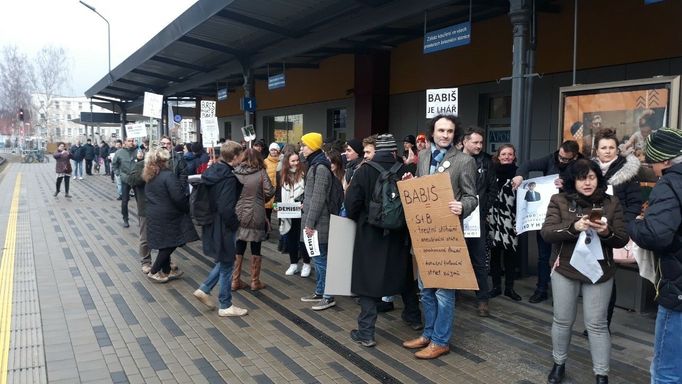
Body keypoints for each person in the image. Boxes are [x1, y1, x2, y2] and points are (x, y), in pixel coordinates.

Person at [541, 158, 628, 384]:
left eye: (591, 177)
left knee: (597, 324)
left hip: (600, 272)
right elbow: (547, 233)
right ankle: (558, 363)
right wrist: (573, 227)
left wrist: (607, 231)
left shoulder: (611, 202)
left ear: (598, 178)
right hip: (566, 269)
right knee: (562, 320)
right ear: (573, 181)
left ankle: (602, 374)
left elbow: (622, 239)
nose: (587, 183)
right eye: (581, 178)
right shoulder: (559, 200)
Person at [402, 114, 478, 360]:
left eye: (449, 131)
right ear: (432, 132)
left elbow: (471, 197)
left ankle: (441, 341)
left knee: (444, 293)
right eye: (441, 130)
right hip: (424, 235)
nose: (445, 134)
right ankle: (428, 334)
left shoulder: (464, 161)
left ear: (455, 134)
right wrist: (411, 183)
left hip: (448, 236)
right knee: (425, 290)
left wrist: (462, 206)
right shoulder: (423, 156)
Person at [344, 134, 413, 347]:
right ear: (394, 151)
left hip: (369, 234)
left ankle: (366, 332)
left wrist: (360, 220)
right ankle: (414, 317)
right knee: (404, 276)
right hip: (398, 234)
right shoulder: (405, 171)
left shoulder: (364, 170)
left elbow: (350, 204)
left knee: (367, 281)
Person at [628, 127, 682, 384]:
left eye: (652, 163)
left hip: (679, 293)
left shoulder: (671, 183)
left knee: (666, 373)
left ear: (666, 161)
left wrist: (635, 223)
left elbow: (656, 235)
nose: (654, 170)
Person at [511, 140, 582, 303]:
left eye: (566, 159)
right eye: (560, 156)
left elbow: (587, 188)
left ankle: (565, 293)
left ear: (575, 157)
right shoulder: (552, 158)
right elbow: (528, 164)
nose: (561, 160)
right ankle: (541, 289)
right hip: (547, 215)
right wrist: (520, 175)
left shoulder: (582, 165)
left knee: (565, 254)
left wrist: (567, 185)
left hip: (569, 217)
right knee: (543, 255)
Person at [591, 128, 642, 334]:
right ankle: (594, 323)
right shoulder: (589, 170)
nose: (608, 151)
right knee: (592, 278)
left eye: (611, 147)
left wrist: (623, 226)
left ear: (617, 149)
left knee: (607, 279)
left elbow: (635, 203)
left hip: (613, 233)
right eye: (603, 147)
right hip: (591, 231)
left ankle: (603, 325)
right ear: (596, 150)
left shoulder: (627, 172)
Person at [192, 141, 249, 317]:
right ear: (235, 157)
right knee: (227, 263)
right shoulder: (228, 178)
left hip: (211, 222)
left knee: (225, 260)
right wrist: (235, 223)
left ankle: (205, 288)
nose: (242, 158)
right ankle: (225, 304)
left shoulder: (213, 170)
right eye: (241, 155)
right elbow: (226, 207)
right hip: (223, 225)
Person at [143, 148, 199, 283]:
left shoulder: (150, 175)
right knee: (172, 242)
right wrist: (186, 208)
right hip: (169, 215)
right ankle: (154, 271)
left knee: (165, 243)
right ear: (163, 161)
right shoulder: (168, 175)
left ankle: (166, 271)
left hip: (154, 213)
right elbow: (178, 197)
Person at [461, 126, 497, 317]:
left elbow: (493, 189)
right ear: (464, 142)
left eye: (481, 142)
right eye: (475, 142)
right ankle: (453, 291)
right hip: (457, 216)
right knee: (456, 256)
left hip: (477, 218)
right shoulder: (454, 160)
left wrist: (482, 210)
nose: (479, 145)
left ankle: (482, 299)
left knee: (479, 260)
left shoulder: (486, 161)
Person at [298, 132, 336, 311]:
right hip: (315, 221)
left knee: (321, 259)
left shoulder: (320, 167)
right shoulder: (315, 165)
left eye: (304, 145)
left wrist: (310, 223)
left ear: (313, 146)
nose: (302, 148)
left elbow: (318, 199)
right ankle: (320, 291)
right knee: (318, 258)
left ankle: (328, 296)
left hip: (319, 223)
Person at [231, 148, 275, 291]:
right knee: (256, 245)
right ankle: (255, 282)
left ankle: (235, 280)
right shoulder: (261, 172)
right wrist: (261, 199)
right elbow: (269, 191)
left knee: (240, 243)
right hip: (256, 214)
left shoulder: (235, 172)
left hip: (238, 213)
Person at [488, 144, 521, 301]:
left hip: (511, 219)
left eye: (510, 154)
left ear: (514, 156)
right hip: (493, 219)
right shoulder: (491, 172)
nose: (507, 156)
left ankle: (509, 288)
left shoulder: (519, 174)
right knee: (494, 254)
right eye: (504, 154)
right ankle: (495, 287)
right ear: (498, 156)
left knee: (510, 256)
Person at [277, 151, 311, 277]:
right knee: (291, 238)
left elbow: (308, 190)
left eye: (297, 160)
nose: (296, 163)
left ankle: (306, 264)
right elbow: (278, 193)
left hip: (301, 209)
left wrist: (304, 202)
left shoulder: (305, 173)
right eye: (293, 161)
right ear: (287, 162)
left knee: (303, 239)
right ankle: (293, 264)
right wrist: (277, 205)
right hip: (287, 210)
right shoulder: (281, 175)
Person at [126, 148, 152, 274]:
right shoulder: (140, 165)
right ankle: (146, 261)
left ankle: (165, 260)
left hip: (161, 207)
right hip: (145, 207)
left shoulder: (163, 165)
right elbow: (131, 181)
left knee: (165, 236)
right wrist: (145, 172)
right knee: (145, 236)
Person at [112, 138, 137, 228]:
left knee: (140, 201)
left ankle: (142, 220)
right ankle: (125, 219)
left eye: (132, 141)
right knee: (124, 201)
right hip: (125, 179)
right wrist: (118, 173)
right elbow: (114, 164)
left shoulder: (138, 151)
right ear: (125, 142)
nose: (131, 142)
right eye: (129, 141)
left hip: (136, 179)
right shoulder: (119, 152)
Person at [264, 142, 280, 222]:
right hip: (268, 190)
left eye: (275, 150)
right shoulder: (265, 162)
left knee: (280, 214)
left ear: (278, 151)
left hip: (278, 190)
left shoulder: (281, 161)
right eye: (272, 150)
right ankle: (267, 232)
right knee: (267, 214)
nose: (273, 152)